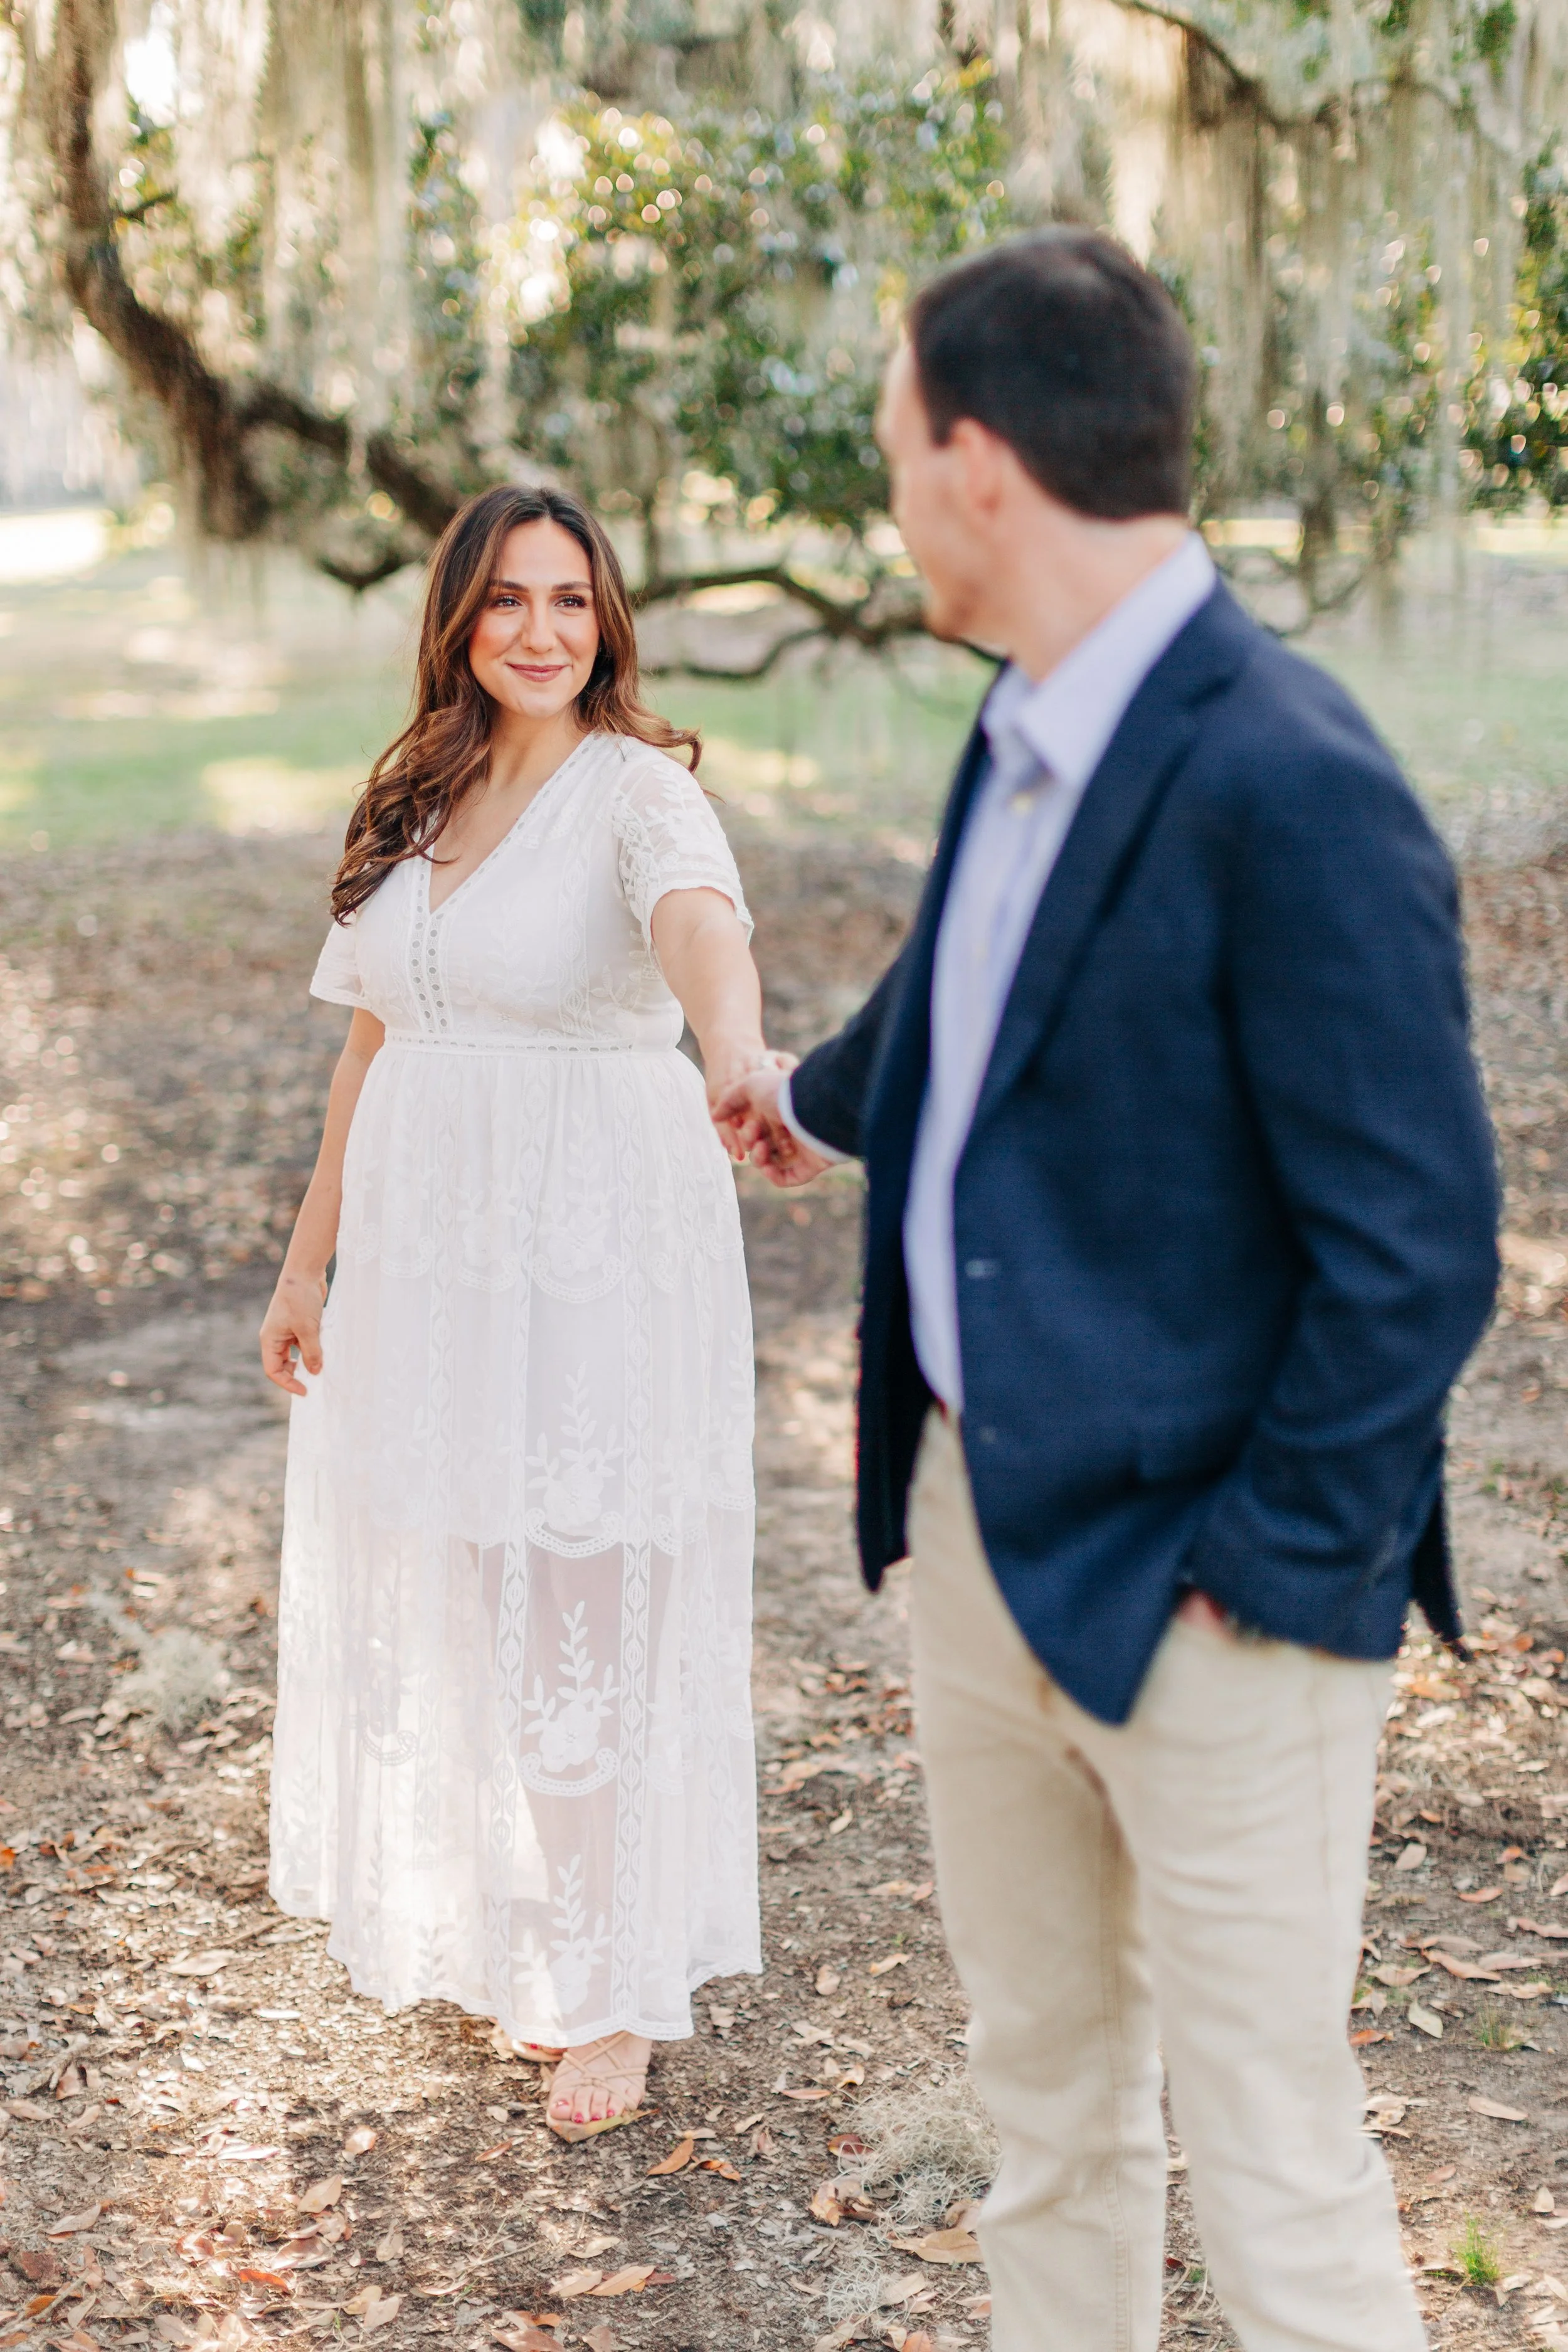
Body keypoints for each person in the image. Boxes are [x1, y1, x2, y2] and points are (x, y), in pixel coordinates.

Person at [715, 230, 1498, 2349]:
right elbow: (976, 982)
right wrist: (806, 1098)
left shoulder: (1290, 774)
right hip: (980, 1530)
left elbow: (1419, 1244)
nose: (891, 503)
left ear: (977, 464)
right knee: (1044, 2108)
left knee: (1268, 2157)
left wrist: (1265, 1569)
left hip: (1215, 1591)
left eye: (895, 455)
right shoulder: (1028, 720)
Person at [260, 484, 765, 2141]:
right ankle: (565, 1919)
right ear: (458, 620)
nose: (539, 630)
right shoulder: (419, 787)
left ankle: (616, 1986)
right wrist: (308, 1263)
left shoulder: (639, 794)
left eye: (567, 598)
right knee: (488, 1590)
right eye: (505, 599)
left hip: (591, 1242)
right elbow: (371, 1041)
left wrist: (739, 1052)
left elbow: (701, 931)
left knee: (582, 1599)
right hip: (436, 1254)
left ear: (606, 619)